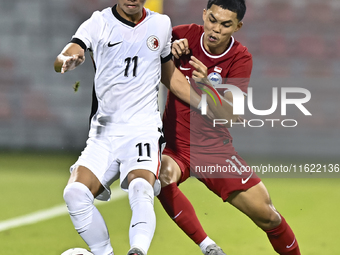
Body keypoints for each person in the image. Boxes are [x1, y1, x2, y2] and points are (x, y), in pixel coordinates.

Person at [54, 1, 199, 255]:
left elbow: (170, 76)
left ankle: (137, 251)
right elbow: (69, 51)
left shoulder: (160, 24)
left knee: (140, 187)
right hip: (104, 132)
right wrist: (67, 58)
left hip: (143, 129)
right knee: (75, 193)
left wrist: (207, 103)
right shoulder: (98, 23)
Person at [157, 0, 301, 255]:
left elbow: (230, 115)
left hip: (213, 151)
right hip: (175, 147)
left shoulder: (240, 58)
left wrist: (206, 86)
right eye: (212, 19)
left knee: (268, 216)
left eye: (225, 25)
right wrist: (167, 50)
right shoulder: (180, 35)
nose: (215, 29)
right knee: (161, 177)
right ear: (204, 14)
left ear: (237, 26)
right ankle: (209, 247)